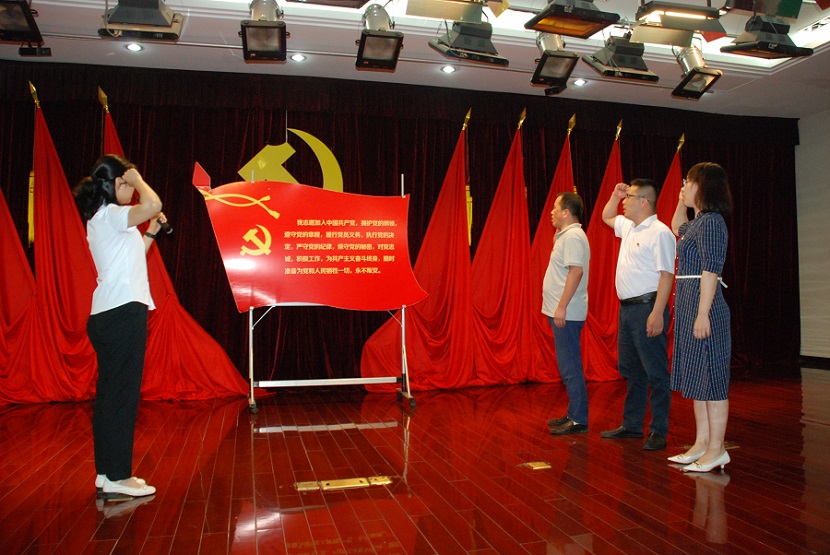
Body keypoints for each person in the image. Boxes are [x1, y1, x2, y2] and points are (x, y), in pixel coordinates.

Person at [73, 154, 165, 498]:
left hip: (111, 313)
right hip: (122, 313)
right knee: (121, 397)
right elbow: (153, 202)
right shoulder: (111, 214)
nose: (132, 190)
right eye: (126, 184)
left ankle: (107, 473)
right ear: (114, 184)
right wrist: (136, 175)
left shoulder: (106, 218)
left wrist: (152, 231)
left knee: (111, 397)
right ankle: (118, 476)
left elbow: (132, 257)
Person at [600, 178, 676, 451]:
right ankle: (632, 425)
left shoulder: (660, 232)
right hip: (627, 309)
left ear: (644, 201)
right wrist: (614, 194)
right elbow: (606, 216)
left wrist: (657, 313)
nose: (624, 201)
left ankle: (658, 430)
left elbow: (666, 275)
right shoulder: (629, 227)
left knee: (655, 371)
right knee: (632, 370)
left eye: (629, 197)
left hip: (647, 307)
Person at [668, 162, 733, 472]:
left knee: (713, 380)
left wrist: (703, 313)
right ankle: (701, 444)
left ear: (705, 186)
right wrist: (682, 199)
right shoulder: (698, 222)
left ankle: (717, 449)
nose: (684, 187)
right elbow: (675, 226)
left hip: (704, 308)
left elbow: (711, 270)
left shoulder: (712, 223)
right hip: (691, 306)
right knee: (698, 378)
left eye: (689, 182)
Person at [542, 192, 591, 435]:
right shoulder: (566, 235)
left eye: (555, 207)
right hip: (563, 311)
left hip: (567, 313)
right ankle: (574, 413)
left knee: (570, 366)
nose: (551, 212)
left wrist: (561, 306)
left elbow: (576, 272)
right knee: (568, 365)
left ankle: (579, 418)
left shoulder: (572, 236)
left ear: (566, 212)